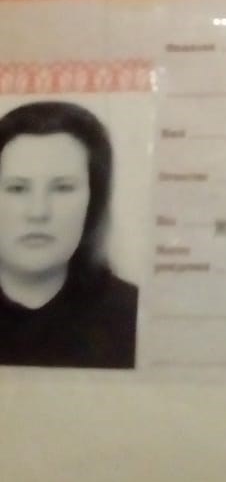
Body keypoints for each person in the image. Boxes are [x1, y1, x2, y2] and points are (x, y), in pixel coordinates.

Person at [0, 100, 138, 368]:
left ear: (93, 200)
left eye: (62, 188)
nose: (38, 212)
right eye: (17, 188)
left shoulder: (134, 316)